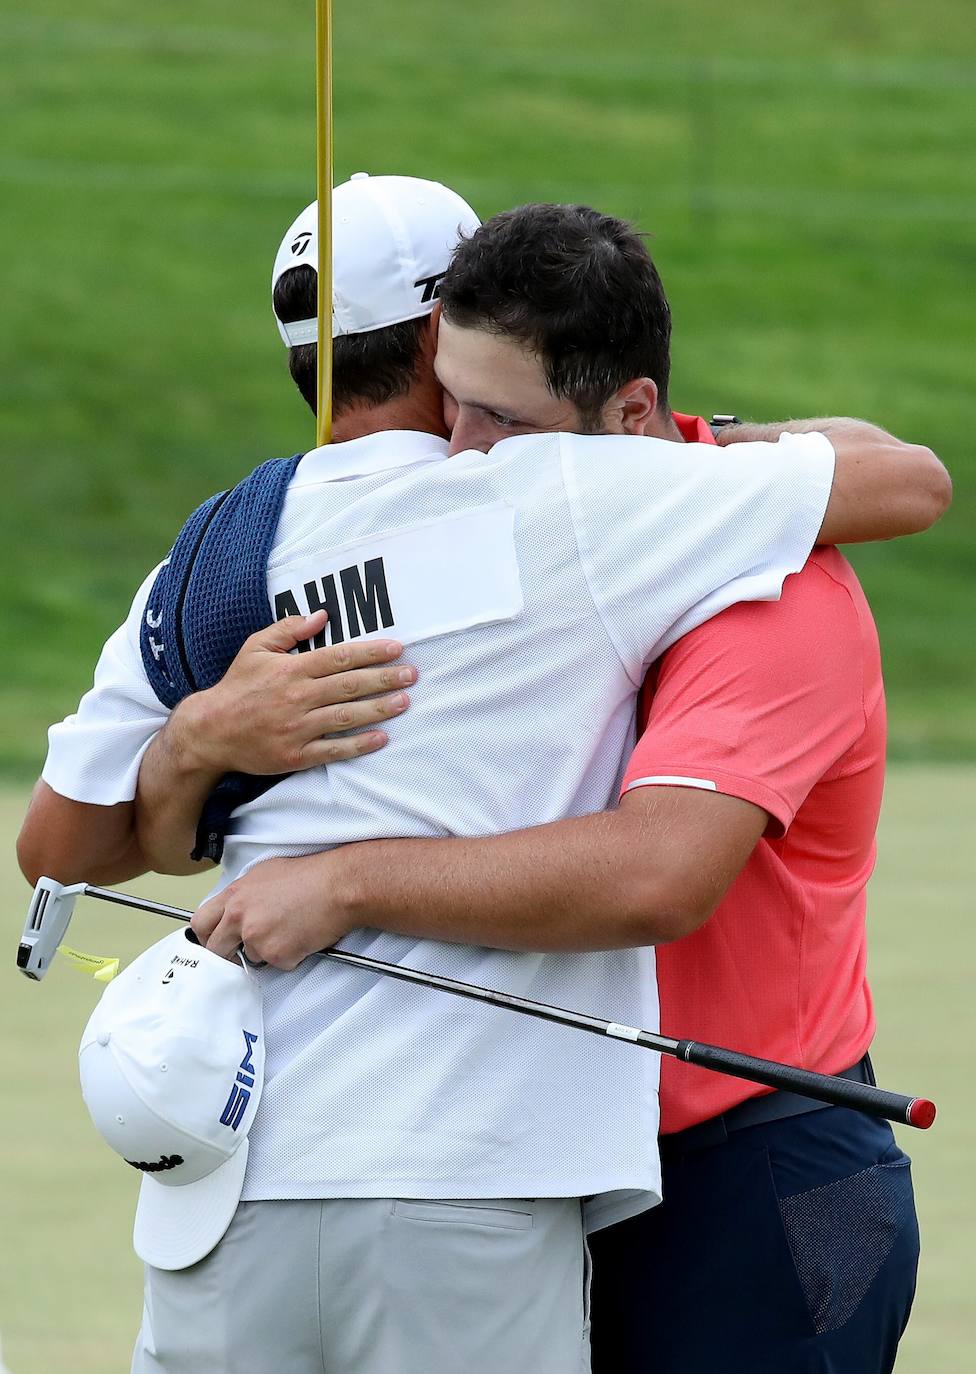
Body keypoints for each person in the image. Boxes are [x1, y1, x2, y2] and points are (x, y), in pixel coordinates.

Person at [17, 190, 948, 1374]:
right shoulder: (517, 499)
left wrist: (341, 878)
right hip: (536, 1178)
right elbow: (903, 473)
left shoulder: (743, 575)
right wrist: (200, 740)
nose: (462, 451)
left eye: (495, 416)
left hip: (748, 1173)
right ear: (427, 340)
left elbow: (660, 872)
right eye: (455, 402)